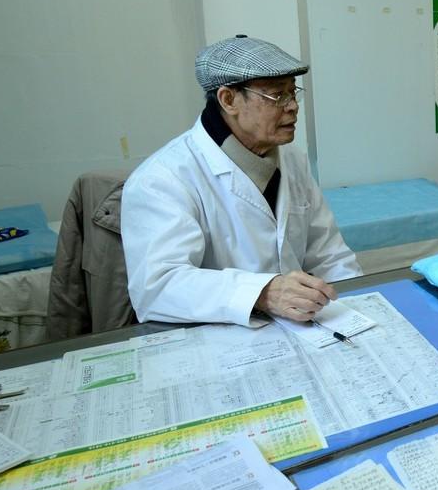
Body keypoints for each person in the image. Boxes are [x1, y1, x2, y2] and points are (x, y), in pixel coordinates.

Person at [121, 35, 361, 326]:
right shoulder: (162, 179)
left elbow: (329, 254)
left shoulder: (292, 158)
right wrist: (262, 293)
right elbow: (157, 288)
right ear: (228, 99)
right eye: (277, 96)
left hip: (295, 329)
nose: (293, 107)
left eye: (292, 92)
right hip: (215, 337)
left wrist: (359, 305)